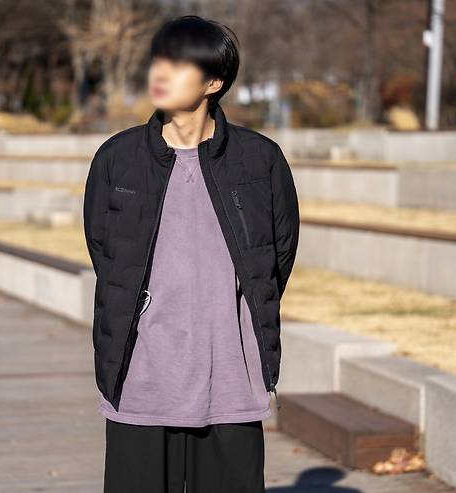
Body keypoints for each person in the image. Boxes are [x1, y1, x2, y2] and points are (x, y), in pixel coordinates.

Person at [83, 14, 300, 493]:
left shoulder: (259, 160)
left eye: (178, 64)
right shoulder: (117, 159)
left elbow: (275, 259)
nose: (160, 73)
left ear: (213, 82)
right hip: (141, 379)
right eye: (159, 61)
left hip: (230, 383)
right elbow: (106, 254)